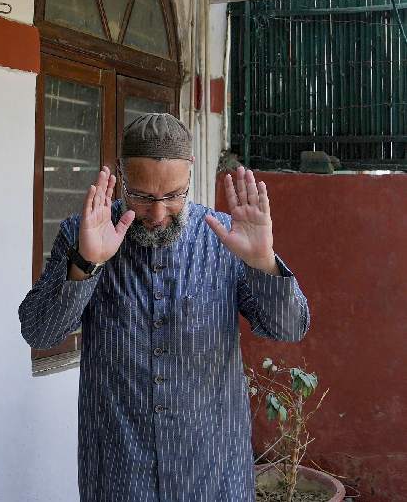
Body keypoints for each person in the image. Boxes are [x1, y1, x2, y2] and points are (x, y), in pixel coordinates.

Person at [18, 113, 309, 501]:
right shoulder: (82, 233)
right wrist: (85, 263)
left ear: (190, 173)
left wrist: (263, 262)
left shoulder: (227, 238)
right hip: (120, 474)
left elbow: (290, 328)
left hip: (213, 474)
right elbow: (39, 332)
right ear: (121, 174)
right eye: (142, 196)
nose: (157, 214)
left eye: (173, 195)